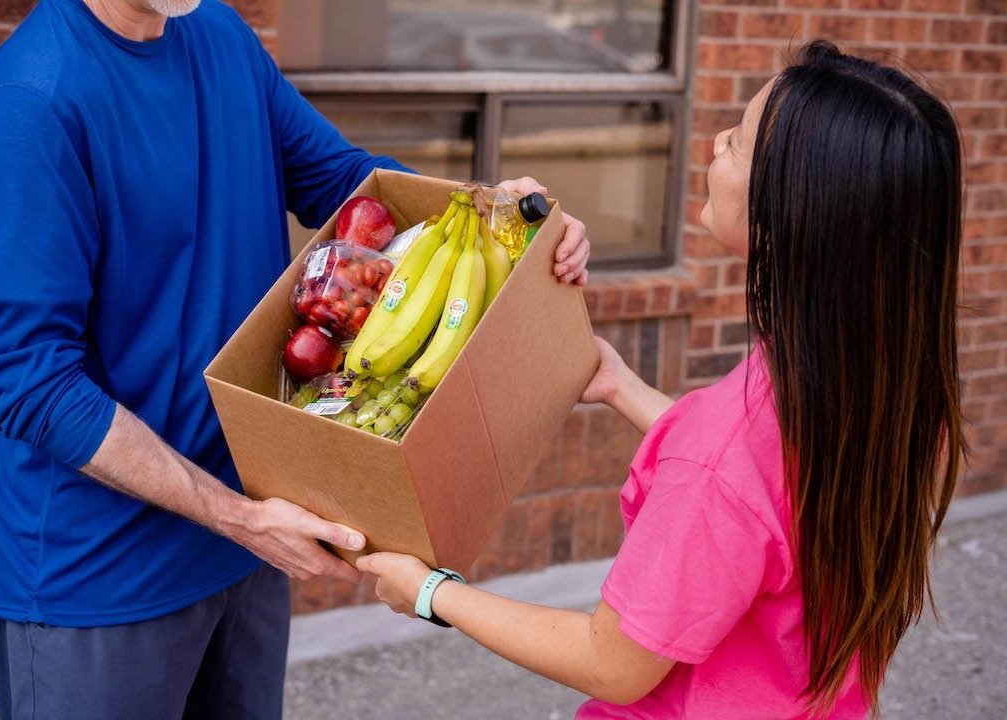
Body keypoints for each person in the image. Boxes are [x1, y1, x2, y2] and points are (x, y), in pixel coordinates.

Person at [0, 0, 590, 718]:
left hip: (250, 543)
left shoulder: (217, 33)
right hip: (101, 580)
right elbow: (32, 381)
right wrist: (237, 518)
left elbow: (344, 185)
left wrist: (497, 219)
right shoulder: (31, 108)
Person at [358, 40, 965, 719]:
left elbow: (611, 661)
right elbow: (767, 498)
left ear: (793, 213)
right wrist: (623, 387)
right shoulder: (896, 392)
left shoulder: (722, 457)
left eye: (737, 142)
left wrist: (431, 592)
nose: (715, 143)